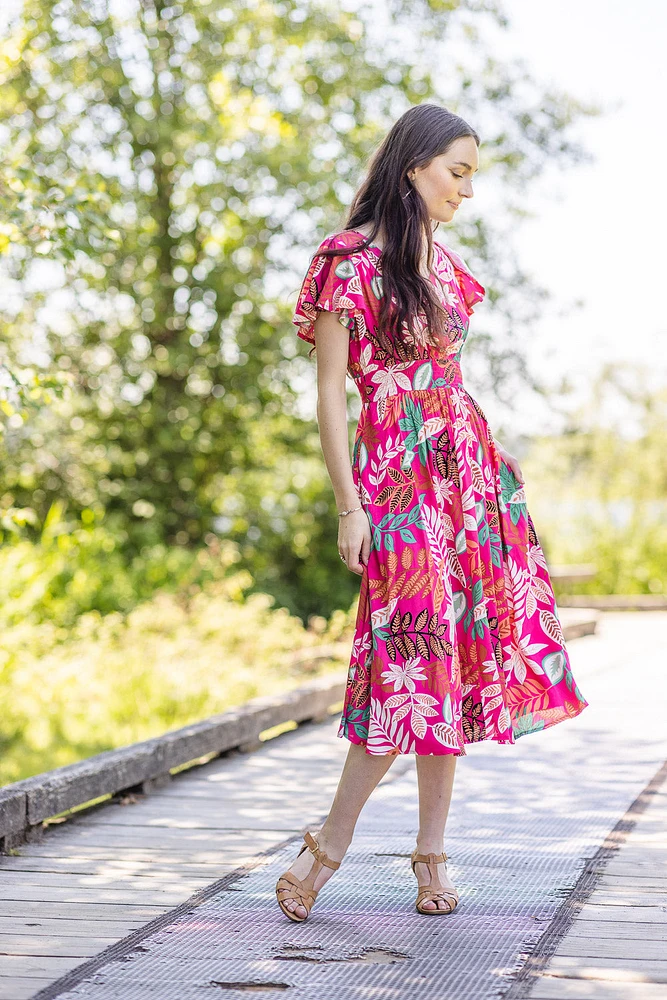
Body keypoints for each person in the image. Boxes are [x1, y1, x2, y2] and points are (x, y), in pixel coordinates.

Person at [275, 103, 589, 923]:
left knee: (444, 668)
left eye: (472, 174)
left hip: (467, 479)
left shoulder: (443, 268)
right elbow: (332, 402)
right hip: (397, 485)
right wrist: (350, 506)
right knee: (406, 667)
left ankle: (429, 851)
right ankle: (331, 843)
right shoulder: (347, 262)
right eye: (457, 170)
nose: (466, 189)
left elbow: (450, 387)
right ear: (412, 165)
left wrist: (491, 467)